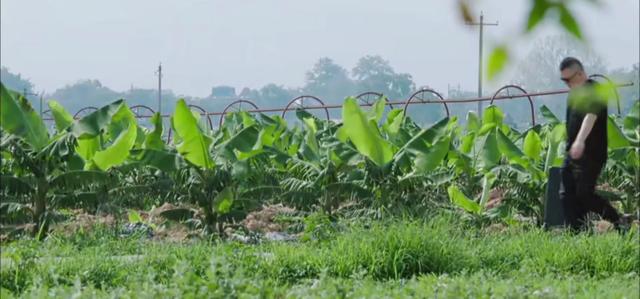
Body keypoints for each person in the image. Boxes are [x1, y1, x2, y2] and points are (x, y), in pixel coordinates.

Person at [558, 57, 621, 230]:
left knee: (584, 194)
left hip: (592, 154)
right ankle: (576, 234)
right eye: (564, 80)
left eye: (568, 79)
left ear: (579, 74)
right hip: (571, 153)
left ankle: (616, 220)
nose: (567, 84)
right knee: (566, 195)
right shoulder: (573, 95)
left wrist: (580, 141)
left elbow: (590, 117)